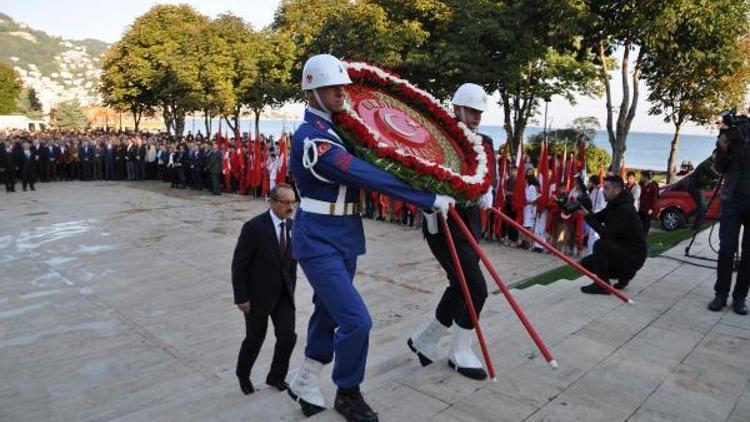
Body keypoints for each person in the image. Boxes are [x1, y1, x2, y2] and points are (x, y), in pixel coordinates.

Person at [287, 54, 453, 422]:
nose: (339, 93)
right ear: (311, 91)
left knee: (328, 310)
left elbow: (384, 156)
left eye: (341, 86)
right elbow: (365, 175)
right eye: (330, 88)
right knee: (356, 320)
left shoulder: (338, 131)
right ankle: (348, 391)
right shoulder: (311, 138)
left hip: (344, 234)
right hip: (317, 239)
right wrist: (426, 197)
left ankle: (305, 379)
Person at [408, 83, 495, 381]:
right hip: (443, 224)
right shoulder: (436, 140)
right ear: (456, 108)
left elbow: (488, 173)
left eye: (479, 112)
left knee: (461, 284)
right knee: (476, 289)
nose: (476, 117)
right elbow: (419, 175)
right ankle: (460, 351)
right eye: (471, 111)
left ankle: (425, 339)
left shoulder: (484, 142)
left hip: (470, 224)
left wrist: (487, 190)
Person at [232, 184, 298, 395]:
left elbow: (292, 263)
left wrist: (292, 287)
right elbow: (239, 265)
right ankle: (243, 375)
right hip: (257, 296)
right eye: (285, 203)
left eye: (293, 202)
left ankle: (276, 376)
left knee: (288, 336)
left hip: (284, 295)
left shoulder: (292, 226)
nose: (290, 207)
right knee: (255, 338)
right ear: (271, 202)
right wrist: (241, 297)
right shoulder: (254, 227)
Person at [577, 175, 647, 294]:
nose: (603, 191)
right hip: (622, 250)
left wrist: (587, 217)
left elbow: (606, 234)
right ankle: (624, 275)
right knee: (587, 263)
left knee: (600, 245)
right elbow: (597, 218)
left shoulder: (625, 209)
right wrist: (585, 210)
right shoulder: (614, 205)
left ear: (617, 190)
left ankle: (602, 285)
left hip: (634, 256)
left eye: (607, 188)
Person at [708, 126, 749, 315]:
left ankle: (740, 297)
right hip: (732, 199)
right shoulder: (738, 132)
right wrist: (723, 147)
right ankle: (721, 294)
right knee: (727, 248)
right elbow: (719, 168)